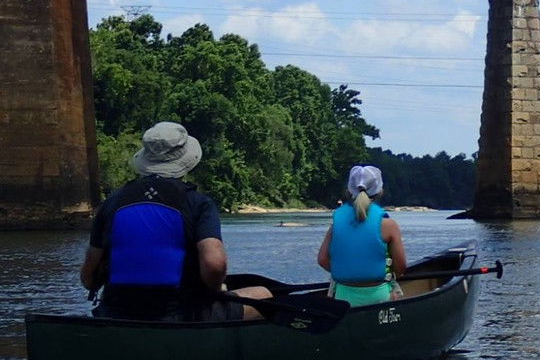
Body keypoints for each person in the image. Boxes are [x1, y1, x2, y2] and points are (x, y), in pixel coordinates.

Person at [79, 121, 272, 321]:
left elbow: (88, 278)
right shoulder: (197, 203)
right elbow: (215, 265)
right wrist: (215, 290)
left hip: (115, 313)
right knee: (263, 295)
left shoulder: (113, 202)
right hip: (180, 314)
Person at [317, 164, 406, 306]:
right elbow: (401, 267)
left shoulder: (336, 225)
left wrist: (345, 271)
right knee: (396, 292)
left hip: (343, 298)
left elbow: (322, 260)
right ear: (380, 191)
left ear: (349, 191)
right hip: (380, 296)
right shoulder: (389, 226)